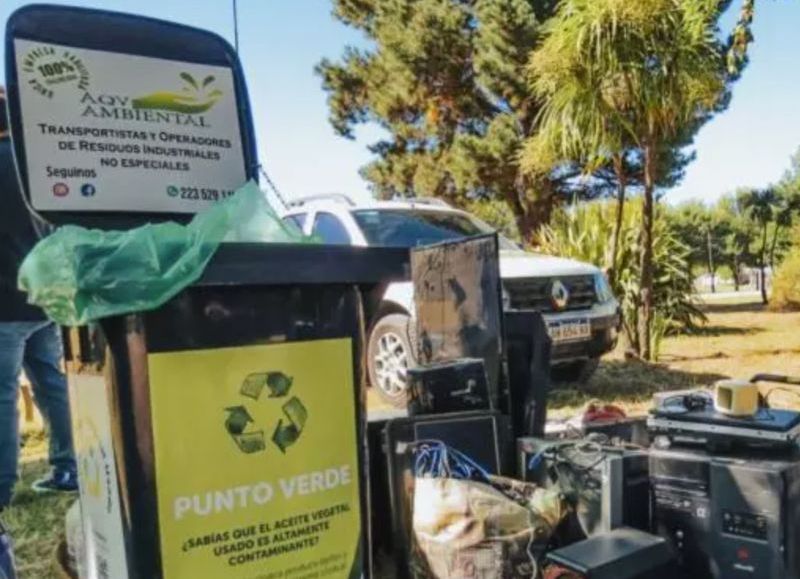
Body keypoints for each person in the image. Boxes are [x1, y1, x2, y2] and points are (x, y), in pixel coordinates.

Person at [0, 87, 77, 510]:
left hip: (4, 304)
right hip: (45, 300)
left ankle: (2, 488)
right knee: (52, 385)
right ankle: (70, 468)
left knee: (3, 395)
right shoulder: (35, 166)